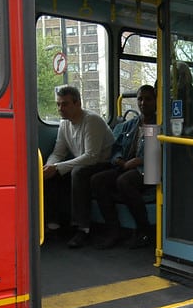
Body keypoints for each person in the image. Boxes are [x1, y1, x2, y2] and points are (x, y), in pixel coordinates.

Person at [44, 85, 115, 248]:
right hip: (85, 163)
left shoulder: (92, 120)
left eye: (65, 104)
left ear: (78, 104)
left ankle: (82, 228)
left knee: (78, 173)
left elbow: (92, 156)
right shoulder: (64, 124)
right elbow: (58, 152)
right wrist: (50, 167)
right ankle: (53, 225)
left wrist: (58, 167)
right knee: (51, 173)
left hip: (104, 164)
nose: (60, 108)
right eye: (58, 104)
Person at [91, 85, 157, 249]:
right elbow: (116, 148)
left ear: (156, 101)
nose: (143, 103)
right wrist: (120, 161)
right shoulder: (130, 125)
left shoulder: (158, 124)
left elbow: (156, 156)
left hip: (149, 170)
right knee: (97, 180)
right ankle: (113, 230)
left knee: (124, 182)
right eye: (140, 99)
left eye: (148, 99)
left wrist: (138, 161)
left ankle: (144, 230)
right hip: (126, 166)